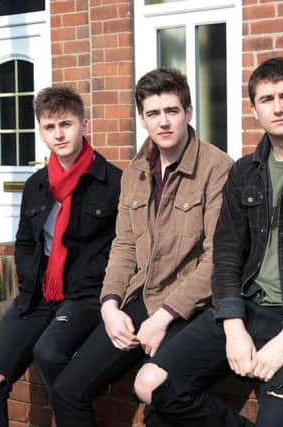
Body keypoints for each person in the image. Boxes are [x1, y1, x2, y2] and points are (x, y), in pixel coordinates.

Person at [130, 57, 283, 426]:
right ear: (254, 109)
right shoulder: (244, 172)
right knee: (150, 383)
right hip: (247, 307)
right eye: (266, 98)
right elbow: (225, 256)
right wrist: (233, 324)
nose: (278, 106)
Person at [48, 68, 233, 425]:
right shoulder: (135, 171)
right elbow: (124, 246)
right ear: (142, 119)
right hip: (138, 300)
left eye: (172, 111)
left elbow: (217, 259)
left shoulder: (218, 168)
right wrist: (109, 304)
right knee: (67, 390)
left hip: (188, 308)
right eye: (153, 113)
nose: (163, 122)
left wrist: (163, 316)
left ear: (189, 112)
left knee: (159, 404)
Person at [0, 86, 122, 426]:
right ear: (41, 131)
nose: (59, 134)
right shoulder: (36, 185)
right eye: (50, 127)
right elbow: (26, 241)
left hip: (84, 296)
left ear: (85, 124)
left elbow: (122, 248)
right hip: (37, 298)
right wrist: (30, 279)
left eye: (66, 124)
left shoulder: (113, 183)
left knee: (50, 354)